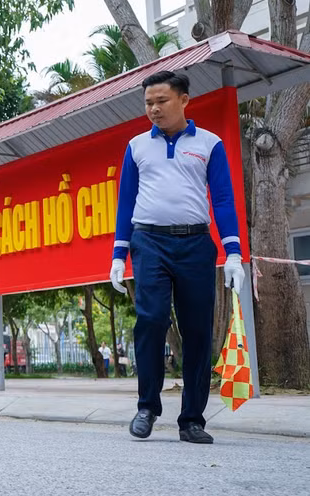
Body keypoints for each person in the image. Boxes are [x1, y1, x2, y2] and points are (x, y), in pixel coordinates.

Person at [109, 71, 245, 445]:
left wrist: (233, 252)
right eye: (148, 103)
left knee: (198, 331)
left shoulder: (209, 143)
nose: (153, 109)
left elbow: (221, 199)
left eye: (161, 101)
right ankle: (147, 407)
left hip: (196, 245)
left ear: (184, 99)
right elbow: (126, 202)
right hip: (149, 241)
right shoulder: (137, 146)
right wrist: (119, 254)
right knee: (150, 321)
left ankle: (192, 420)